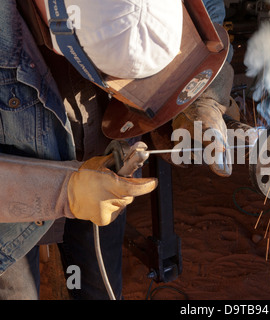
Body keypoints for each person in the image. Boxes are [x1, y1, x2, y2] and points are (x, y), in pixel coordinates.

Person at [0, 0, 233, 299]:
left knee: (97, 286)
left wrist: (197, 97)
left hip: (101, 156)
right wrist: (64, 192)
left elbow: (208, 15)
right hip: (11, 206)